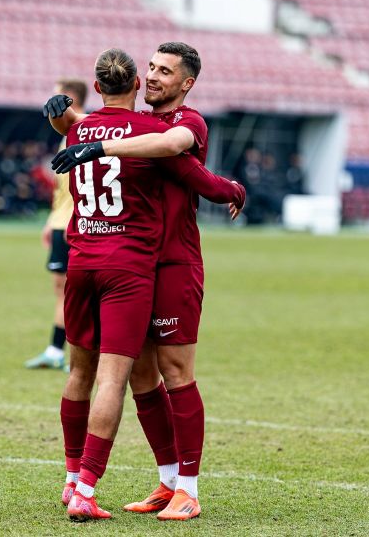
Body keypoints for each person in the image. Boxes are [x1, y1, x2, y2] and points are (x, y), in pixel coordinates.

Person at [56, 48, 244, 522]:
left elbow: (173, 153)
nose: (156, 77)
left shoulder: (189, 124)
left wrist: (231, 190)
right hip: (133, 266)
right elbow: (100, 126)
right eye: (153, 68)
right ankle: (166, 481)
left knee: (177, 370)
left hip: (173, 263)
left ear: (186, 84)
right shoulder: (141, 123)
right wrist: (65, 116)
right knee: (140, 375)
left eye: (166, 71)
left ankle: (190, 488)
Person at [25, 79, 87, 370]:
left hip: (80, 224)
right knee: (62, 288)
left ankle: (79, 350)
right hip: (63, 222)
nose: (51, 97)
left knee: (79, 289)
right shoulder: (68, 131)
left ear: (70, 97)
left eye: (57, 92)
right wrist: (52, 221)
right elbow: (63, 188)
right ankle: (56, 350)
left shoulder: (86, 130)